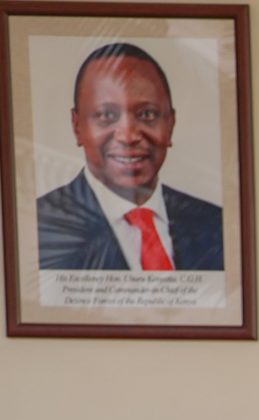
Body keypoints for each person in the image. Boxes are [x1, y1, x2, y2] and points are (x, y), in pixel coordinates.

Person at [36, 42, 223, 272]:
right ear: (77, 127)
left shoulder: (216, 225)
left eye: (147, 114)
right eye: (107, 115)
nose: (129, 136)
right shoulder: (38, 227)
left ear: (170, 125)